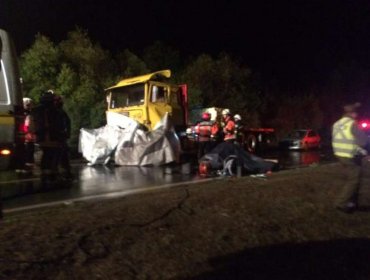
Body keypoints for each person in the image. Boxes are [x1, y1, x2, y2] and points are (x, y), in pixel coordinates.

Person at [332, 102, 369, 213]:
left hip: (339, 154)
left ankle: (352, 202)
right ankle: (341, 203)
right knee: (354, 178)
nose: (357, 116)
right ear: (353, 114)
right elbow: (363, 141)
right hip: (349, 155)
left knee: (353, 177)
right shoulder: (352, 123)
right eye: (356, 113)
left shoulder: (337, 123)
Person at [31, 90, 64, 181]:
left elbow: (33, 124)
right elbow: (60, 125)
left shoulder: (36, 110)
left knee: (46, 155)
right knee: (52, 155)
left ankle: (45, 174)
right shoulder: (56, 111)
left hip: (42, 138)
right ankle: (52, 174)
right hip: (53, 138)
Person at [54, 94, 73, 179]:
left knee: (62, 154)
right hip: (58, 137)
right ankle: (64, 172)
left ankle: (64, 171)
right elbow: (67, 122)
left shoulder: (59, 111)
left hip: (59, 137)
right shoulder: (57, 112)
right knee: (61, 154)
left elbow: (67, 122)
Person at [23, 97, 36, 171]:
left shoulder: (31, 114)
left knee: (30, 151)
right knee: (28, 151)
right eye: (27, 105)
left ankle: (29, 166)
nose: (29, 106)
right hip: (26, 136)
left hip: (29, 137)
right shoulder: (25, 114)